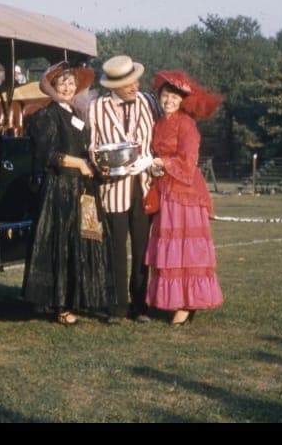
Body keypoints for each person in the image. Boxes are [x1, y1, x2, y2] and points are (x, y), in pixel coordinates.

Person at [21, 61, 115, 325]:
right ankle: (61, 305)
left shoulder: (77, 115)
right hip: (60, 190)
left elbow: (84, 150)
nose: (67, 87)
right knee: (62, 245)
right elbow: (47, 155)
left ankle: (79, 299)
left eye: (71, 83)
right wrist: (80, 164)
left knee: (84, 242)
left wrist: (96, 165)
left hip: (83, 188)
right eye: (62, 83)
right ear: (52, 87)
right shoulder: (46, 116)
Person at [144, 70, 224, 327]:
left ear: (182, 101)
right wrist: (157, 167)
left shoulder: (186, 124)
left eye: (174, 97)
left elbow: (188, 164)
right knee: (171, 250)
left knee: (185, 250)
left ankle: (188, 304)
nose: (168, 100)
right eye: (165, 95)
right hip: (166, 191)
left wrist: (162, 162)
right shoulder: (160, 122)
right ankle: (177, 301)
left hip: (185, 194)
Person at [88, 55, 160, 322]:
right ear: (113, 86)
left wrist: (150, 162)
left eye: (136, 80)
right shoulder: (96, 108)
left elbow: (159, 140)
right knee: (115, 248)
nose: (134, 86)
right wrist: (101, 166)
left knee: (142, 248)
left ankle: (140, 305)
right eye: (128, 83)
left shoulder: (150, 102)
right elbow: (92, 147)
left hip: (143, 185)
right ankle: (116, 306)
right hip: (113, 188)